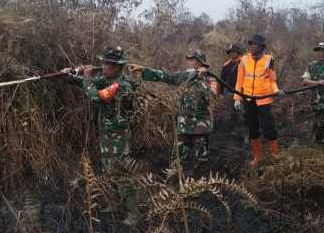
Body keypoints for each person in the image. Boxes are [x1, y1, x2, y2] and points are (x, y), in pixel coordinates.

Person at [62, 46, 139, 223]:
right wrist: (70, 76)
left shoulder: (121, 85)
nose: (103, 67)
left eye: (107, 64)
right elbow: (88, 83)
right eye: (103, 63)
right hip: (107, 135)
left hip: (118, 138)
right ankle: (114, 204)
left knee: (122, 174)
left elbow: (95, 96)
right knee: (108, 171)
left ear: (117, 67)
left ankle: (133, 213)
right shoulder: (107, 80)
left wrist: (87, 77)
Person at [128, 50, 218, 167]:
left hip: (200, 127)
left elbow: (211, 96)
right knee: (177, 159)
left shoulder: (211, 79)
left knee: (200, 161)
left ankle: (201, 183)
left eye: (192, 59)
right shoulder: (184, 76)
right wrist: (143, 69)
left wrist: (200, 78)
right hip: (183, 125)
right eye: (188, 59)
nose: (188, 62)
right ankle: (174, 182)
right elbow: (165, 76)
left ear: (200, 62)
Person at [234, 34, 284, 166]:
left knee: (269, 127)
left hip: (264, 99)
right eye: (250, 44)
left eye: (254, 44)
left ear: (261, 46)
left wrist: (276, 91)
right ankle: (258, 157)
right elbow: (239, 81)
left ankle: (274, 155)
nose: (251, 47)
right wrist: (237, 98)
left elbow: (272, 79)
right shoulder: (244, 60)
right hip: (249, 99)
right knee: (253, 128)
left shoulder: (269, 60)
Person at [219, 44, 244, 126]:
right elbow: (222, 79)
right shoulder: (226, 65)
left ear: (238, 52)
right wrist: (221, 93)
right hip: (230, 93)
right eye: (230, 52)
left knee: (242, 112)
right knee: (230, 112)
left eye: (234, 52)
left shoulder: (245, 63)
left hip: (242, 93)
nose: (232, 54)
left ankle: (243, 129)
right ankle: (233, 131)